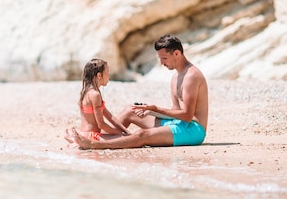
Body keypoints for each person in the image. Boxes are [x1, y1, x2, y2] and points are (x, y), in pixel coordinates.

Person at [70, 34, 208, 149]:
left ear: (176, 53)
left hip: (193, 130)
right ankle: (93, 137)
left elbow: (188, 116)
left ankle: (94, 144)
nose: (161, 63)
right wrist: (152, 111)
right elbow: (176, 111)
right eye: (160, 59)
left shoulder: (191, 76)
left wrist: (156, 108)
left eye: (164, 58)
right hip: (177, 123)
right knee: (130, 110)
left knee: (142, 134)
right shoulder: (175, 77)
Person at [64, 58, 131, 143]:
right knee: (126, 140)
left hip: (85, 133)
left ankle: (75, 139)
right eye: (107, 73)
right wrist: (120, 134)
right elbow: (101, 124)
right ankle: (76, 140)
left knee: (125, 136)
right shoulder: (95, 95)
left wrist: (125, 131)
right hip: (92, 136)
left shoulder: (86, 92)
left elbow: (111, 117)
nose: (109, 76)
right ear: (99, 76)